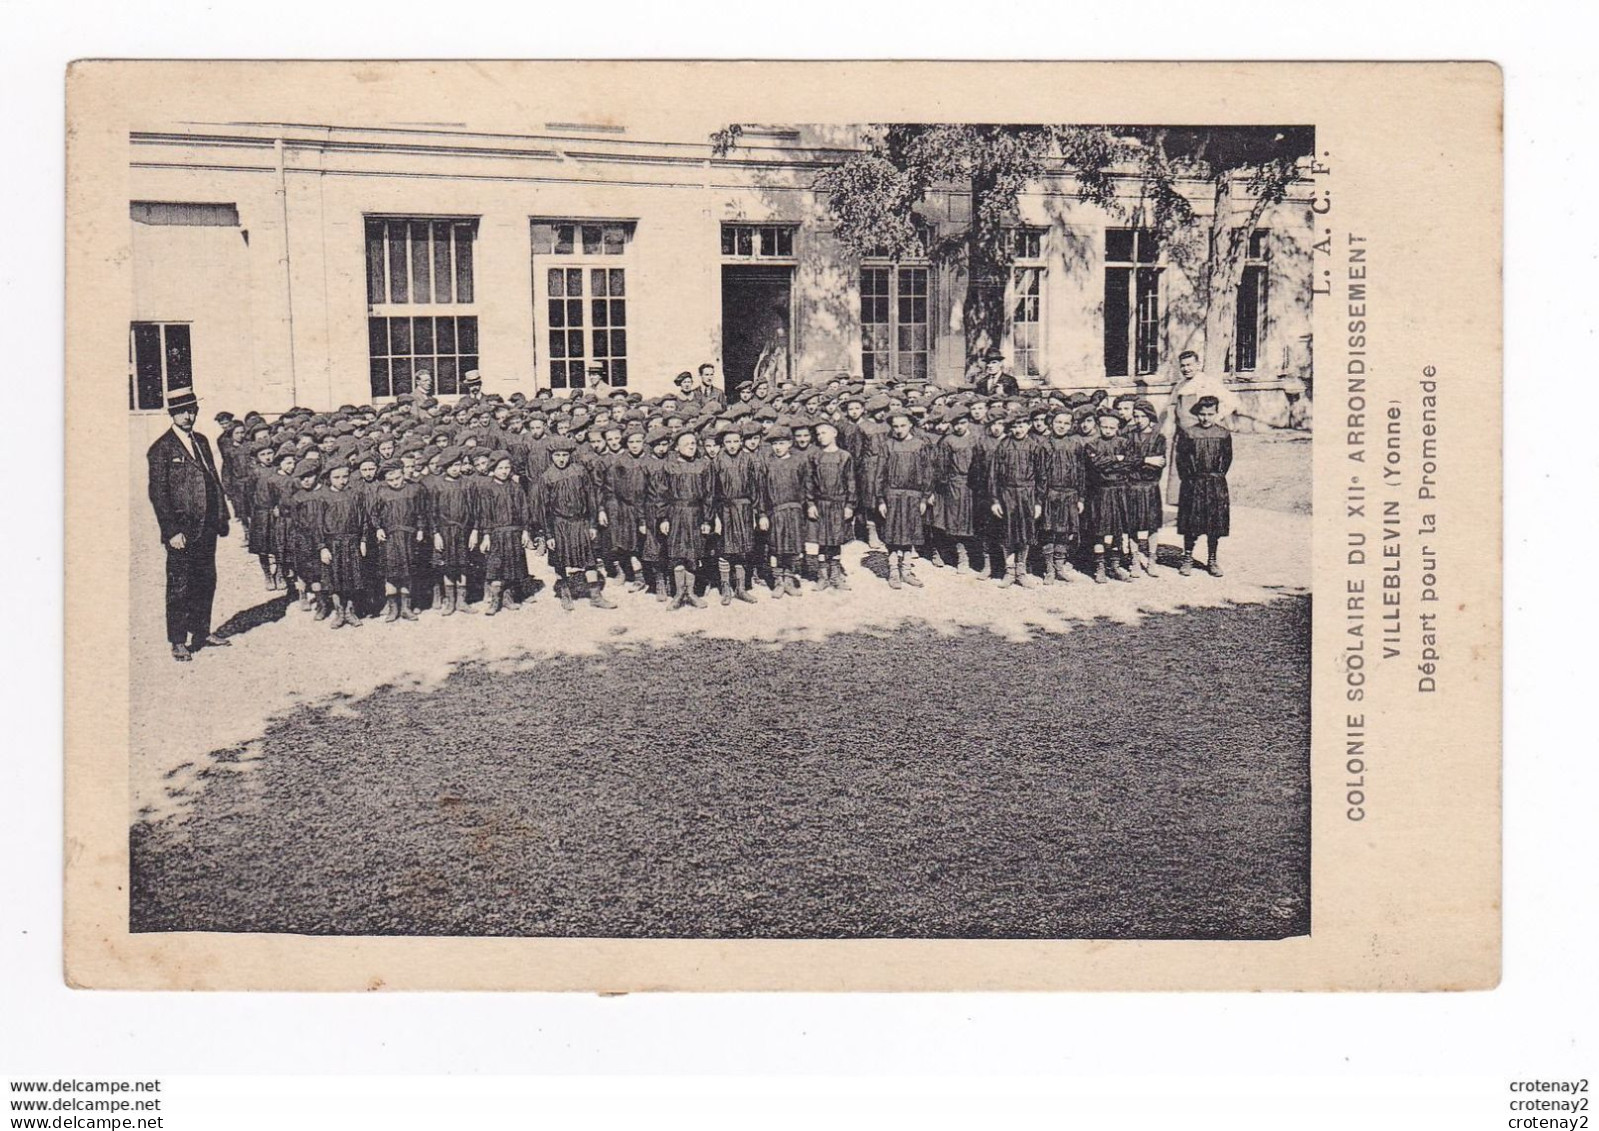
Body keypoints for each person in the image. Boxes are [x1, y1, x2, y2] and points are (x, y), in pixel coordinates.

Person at [146, 390, 231, 661]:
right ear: (172, 414)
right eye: (182, 411)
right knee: (180, 583)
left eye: (192, 410)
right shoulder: (161, 449)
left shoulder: (202, 441)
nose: (188, 416)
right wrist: (171, 531)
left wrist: (222, 515)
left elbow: (213, 480)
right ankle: (178, 640)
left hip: (206, 526)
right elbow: (158, 494)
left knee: (206, 580)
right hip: (182, 531)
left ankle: (201, 631)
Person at [532, 436, 614, 611]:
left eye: (564, 455)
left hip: (581, 522)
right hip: (559, 524)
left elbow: (591, 498)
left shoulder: (580, 471)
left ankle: (595, 595)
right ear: (551, 456)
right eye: (557, 455)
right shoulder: (547, 477)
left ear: (570, 455)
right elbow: (544, 509)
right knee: (560, 560)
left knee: (589, 559)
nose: (561, 459)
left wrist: (592, 525)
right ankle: (565, 592)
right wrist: (548, 535)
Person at [875, 410, 936, 590]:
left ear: (910, 425)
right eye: (895, 426)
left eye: (903, 425)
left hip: (914, 496)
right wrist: (880, 500)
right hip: (892, 495)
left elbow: (927, 473)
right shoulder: (887, 446)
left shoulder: (920, 445)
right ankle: (893, 571)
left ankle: (906, 570)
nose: (899, 430)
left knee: (910, 533)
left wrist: (925, 497)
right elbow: (879, 475)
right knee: (893, 535)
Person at [1175, 395, 1233, 577]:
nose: (1205, 418)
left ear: (1216, 414)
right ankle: (1187, 558)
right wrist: (1189, 478)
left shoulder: (1223, 433)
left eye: (1209, 414)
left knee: (1214, 523)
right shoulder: (1188, 433)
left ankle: (1212, 559)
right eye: (1202, 414)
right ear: (1197, 414)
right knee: (1192, 522)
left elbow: (1228, 458)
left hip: (1215, 483)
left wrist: (1218, 474)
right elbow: (1181, 459)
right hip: (1193, 483)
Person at [988, 413, 1046, 588]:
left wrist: (1038, 502)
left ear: (1029, 426)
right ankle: (1009, 570)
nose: (1018, 429)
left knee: (1024, 534)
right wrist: (995, 500)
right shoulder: (1003, 446)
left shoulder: (1035, 446)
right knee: (1007, 533)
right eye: (1014, 426)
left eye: (1022, 425)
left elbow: (1041, 476)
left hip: (1027, 495)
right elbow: (993, 476)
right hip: (1007, 495)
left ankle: (1021, 571)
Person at [370, 460, 427, 622]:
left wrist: (421, 529)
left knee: (407, 572)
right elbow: (374, 513)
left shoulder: (414, 489)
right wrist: (378, 528)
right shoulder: (381, 492)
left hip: (409, 536)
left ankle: (406, 608)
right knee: (391, 573)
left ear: (403, 473)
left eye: (397, 478)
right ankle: (393, 608)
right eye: (391, 480)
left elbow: (421, 512)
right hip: (390, 538)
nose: (395, 482)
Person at [808, 420, 856, 590]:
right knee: (822, 540)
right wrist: (810, 503)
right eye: (818, 434)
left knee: (836, 539)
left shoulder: (844, 456)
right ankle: (822, 576)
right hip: (821, 503)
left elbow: (851, 481)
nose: (821, 437)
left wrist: (850, 505)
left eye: (824, 432)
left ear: (834, 433)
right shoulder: (815, 456)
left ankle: (835, 576)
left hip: (838, 503)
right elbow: (810, 482)